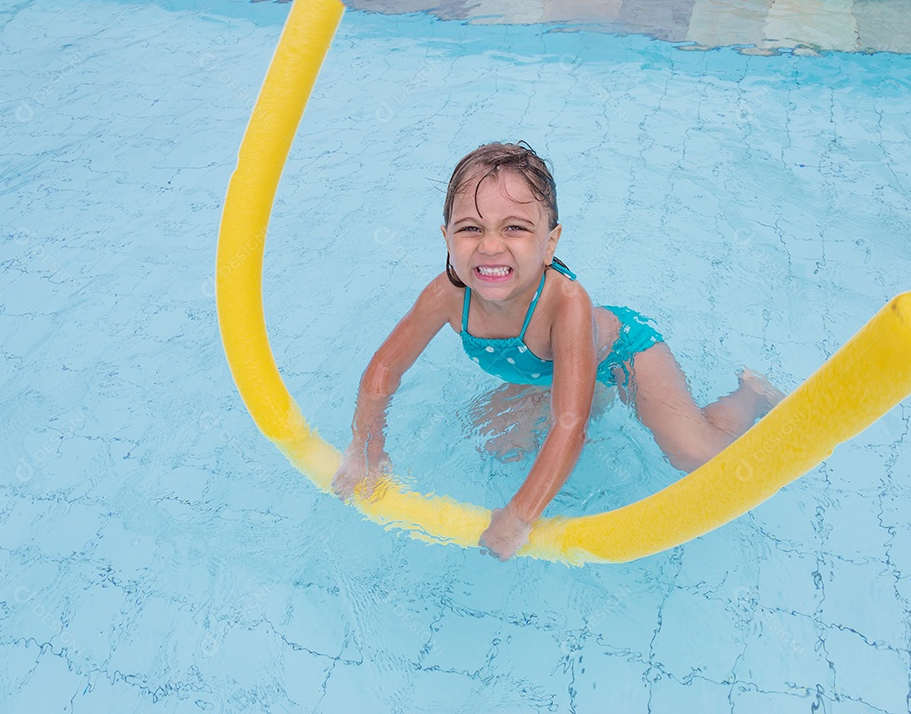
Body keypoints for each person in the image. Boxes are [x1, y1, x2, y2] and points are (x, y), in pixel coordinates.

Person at [333, 142, 784, 561]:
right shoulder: (447, 295)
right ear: (446, 237)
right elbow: (384, 369)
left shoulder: (566, 304)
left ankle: (752, 395)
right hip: (550, 372)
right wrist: (363, 445)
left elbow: (571, 424)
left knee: (695, 456)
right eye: (470, 229)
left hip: (622, 356)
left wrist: (519, 515)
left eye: (515, 228)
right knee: (492, 440)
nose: (490, 245)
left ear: (550, 242)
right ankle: (592, 398)